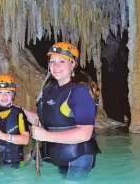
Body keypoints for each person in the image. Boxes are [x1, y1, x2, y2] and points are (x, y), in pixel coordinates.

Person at [23, 42, 101, 180]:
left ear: (72, 64)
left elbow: (85, 133)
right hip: (53, 152)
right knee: (20, 164)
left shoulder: (80, 91)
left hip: (77, 158)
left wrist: (46, 136)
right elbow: (48, 119)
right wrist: (20, 112)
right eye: (52, 61)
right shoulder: (50, 88)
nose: (55, 65)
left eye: (61, 61)